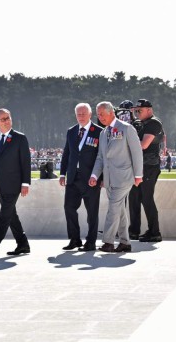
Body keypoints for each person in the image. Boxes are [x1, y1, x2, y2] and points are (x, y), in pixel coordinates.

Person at [89, 101, 143, 253]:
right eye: (98, 114)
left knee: (113, 209)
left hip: (124, 177)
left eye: (102, 114)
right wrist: (95, 175)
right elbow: (100, 157)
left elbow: (137, 152)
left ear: (111, 112)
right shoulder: (103, 132)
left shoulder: (127, 129)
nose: (99, 117)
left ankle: (108, 242)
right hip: (109, 179)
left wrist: (138, 174)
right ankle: (125, 242)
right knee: (119, 210)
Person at [0, 109, 31, 258]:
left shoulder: (20, 138)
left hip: (14, 184)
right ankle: (23, 244)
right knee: (11, 215)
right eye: (2, 119)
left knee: (4, 216)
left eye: (8, 118)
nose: (6, 121)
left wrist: (25, 183)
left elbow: (25, 162)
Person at [59, 103, 103, 252]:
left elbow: (102, 157)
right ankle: (74, 239)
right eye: (78, 114)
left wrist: (99, 177)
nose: (81, 116)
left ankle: (90, 242)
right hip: (72, 178)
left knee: (92, 212)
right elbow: (67, 154)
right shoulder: (71, 131)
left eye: (84, 114)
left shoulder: (99, 132)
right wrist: (63, 173)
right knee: (69, 208)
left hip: (90, 179)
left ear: (90, 115)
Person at [128, 99, 164, 242]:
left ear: (149, 109)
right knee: (134, 198)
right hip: (139, 166)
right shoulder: (140, 124)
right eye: (136, 110)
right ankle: (134, 231)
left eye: (140, 110)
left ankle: (154, 232)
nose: (137, 113)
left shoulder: (154, 123)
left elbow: (143, 145)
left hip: (149, 166)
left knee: (147, 199)